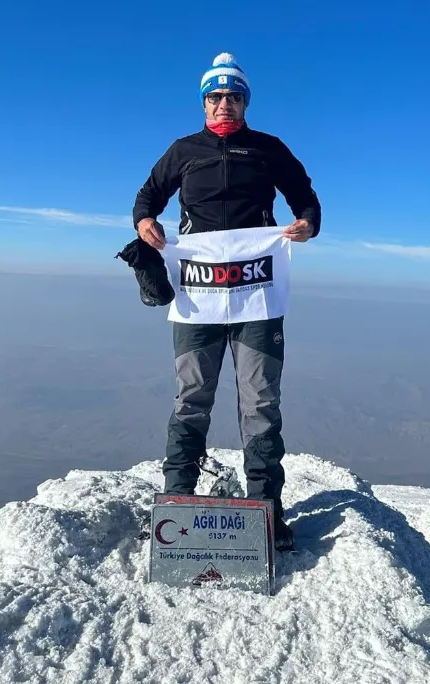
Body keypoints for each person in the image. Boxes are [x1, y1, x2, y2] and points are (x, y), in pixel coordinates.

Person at [131, 52, 321, 551]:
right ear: (203, 102)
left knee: (260, 401)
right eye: (215, 97)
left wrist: (307, 224)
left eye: (234, 97)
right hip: (198, 296)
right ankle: (176, 500)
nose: (224, 105)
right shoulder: (184, 149)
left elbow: (306, 196)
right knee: (191, 397)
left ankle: (267, 511)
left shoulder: (267, 148)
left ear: (245, 102)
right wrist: (144, 223)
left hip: (258, 297)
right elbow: (148, 195)